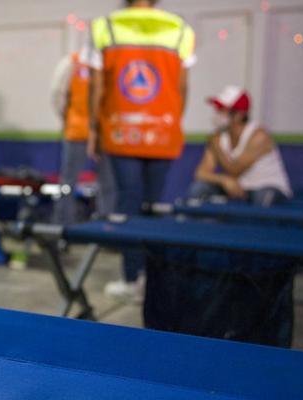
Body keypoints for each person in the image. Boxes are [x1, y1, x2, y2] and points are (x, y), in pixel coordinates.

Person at [86, 0, 196, 300]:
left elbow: (97, 87)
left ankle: (132, 277)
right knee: (153, 205)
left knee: (128, 203)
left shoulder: (105, 26)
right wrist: (170, 121)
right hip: (163, 129)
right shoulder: (179, 28)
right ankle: (152, 280)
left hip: (122, 129)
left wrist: (93, 129)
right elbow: (183, 86)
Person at [189, 86, 292, 206]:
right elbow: (201, 173)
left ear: (239, 115)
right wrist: (223, 180)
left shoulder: (259, 136)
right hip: (236, 186)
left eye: (221, 110)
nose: (216, 114)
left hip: (267, 187)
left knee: (262, 198)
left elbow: (235, 170)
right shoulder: (217, 137)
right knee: (199, 188)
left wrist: (216, 147)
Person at [50, 51, 116, 223]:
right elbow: (58, 95)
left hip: (99, 133)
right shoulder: (73, 62)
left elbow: (57, 95)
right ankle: (65, 225)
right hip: (85, 132)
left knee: (105, 183)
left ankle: (103, 227)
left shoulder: (106, 62)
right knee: (71, 183)